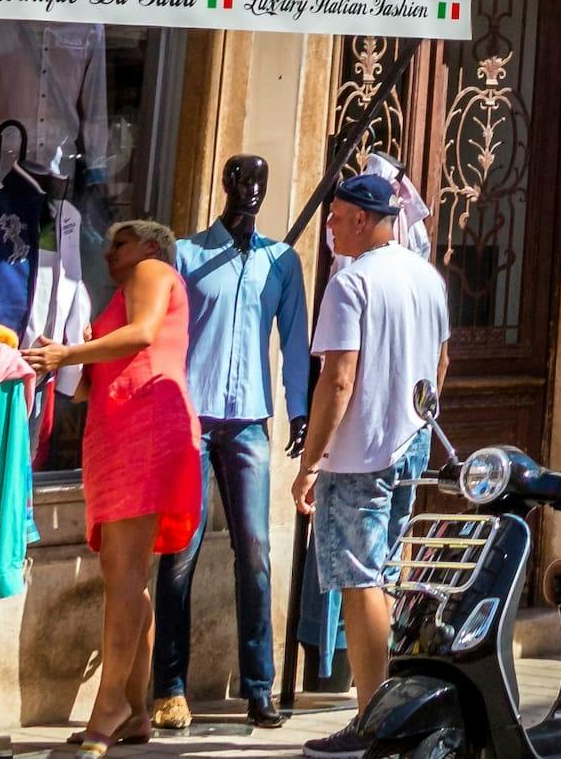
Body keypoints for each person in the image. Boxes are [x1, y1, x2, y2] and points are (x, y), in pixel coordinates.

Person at [36, 216, 202, 749]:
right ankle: (133, 708)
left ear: (153, 245)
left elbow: (144, 335)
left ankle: (109, 708)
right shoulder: (127, 289)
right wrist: (74, 357)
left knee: (125, 573)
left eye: (120, 242)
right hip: (127, 428)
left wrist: (68, 353)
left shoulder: (152, 269)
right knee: (127, 575)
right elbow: (95, 381)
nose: (109, 253)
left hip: (145, 427)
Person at [158, 159, 310, 731]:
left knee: (255, 550)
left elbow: (294, 340)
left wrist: (299, 410)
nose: (252, 191)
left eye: (261, 183)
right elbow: (166, 332)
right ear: (224, 185)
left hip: (249, 420)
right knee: (180, 549)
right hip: (191, 418)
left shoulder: (281, 262)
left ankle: (259, 687)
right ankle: (168, 686)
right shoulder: (188, 256)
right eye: (243, 181)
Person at [302, 165, 455, 705]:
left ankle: (372, 712)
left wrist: (309, 462)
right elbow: (440, 366)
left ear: (364, 220)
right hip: (409, 444)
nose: (332, 231)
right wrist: (415, 424)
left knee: (359, 580)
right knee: (383, 572)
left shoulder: (351, 282)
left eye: (338, 220)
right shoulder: (428, 278)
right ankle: (383, 703)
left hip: (359, 453)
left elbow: (337, 379)